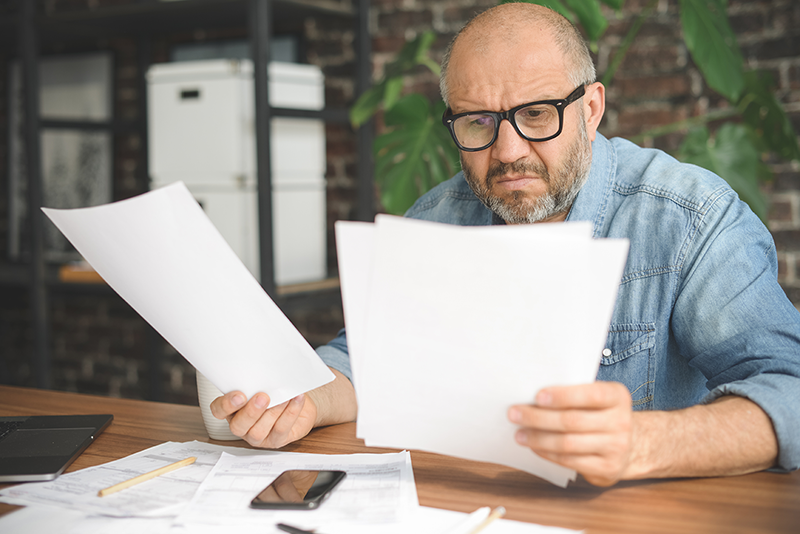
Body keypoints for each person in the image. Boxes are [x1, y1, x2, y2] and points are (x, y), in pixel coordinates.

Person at [211, 3, 800, 487]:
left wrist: (644, 444)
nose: (509, 151)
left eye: (538, 114)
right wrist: (303, 401)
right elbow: (367, 364)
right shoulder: (438, 217)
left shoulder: (689, 217)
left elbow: (790, 391)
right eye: (477, 122)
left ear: (591, 109)